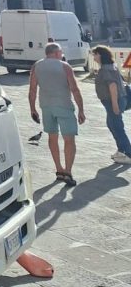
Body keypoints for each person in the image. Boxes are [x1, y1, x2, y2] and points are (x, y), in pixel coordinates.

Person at [28, 43, 86, 186]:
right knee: (69, 139)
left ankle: (59, 169)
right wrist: (81, 109)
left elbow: (32, 89)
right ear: (55, 53)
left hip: (46, 106)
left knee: (52, 137)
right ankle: (68, 172)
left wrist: (32, 109)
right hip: (64, 106)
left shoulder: (36, 66)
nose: (62, 54)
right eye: (60, 52)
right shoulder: (65, 66)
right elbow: (75, 89)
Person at [91, 46, 131, 164]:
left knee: (117, 126)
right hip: (113, 101)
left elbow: (112, 86)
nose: (93, 57)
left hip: (114, 101)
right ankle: (121, 150)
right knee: (111, 124)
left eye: (95, 54)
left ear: (100, 55)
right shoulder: (108, 67)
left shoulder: (106, 69)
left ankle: (128, 153)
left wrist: (115, 105)